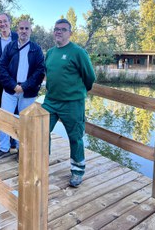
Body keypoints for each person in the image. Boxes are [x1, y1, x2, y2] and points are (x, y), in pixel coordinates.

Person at [42, 18, 96, 188]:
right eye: (56, 29)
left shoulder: (78, 52)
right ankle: (42, 165)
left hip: (72, 103)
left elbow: (90, 77)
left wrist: (77, 92)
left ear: (70, 33)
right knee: (41, 132)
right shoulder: (50, 53)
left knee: (75, 137)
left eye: (63, 29)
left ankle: (77, 171)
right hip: (50, 101)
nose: (59, 32)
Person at [0, 20, 45, 160]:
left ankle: (23, 150)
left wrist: (24, 86)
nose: (24, 31)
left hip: (28, 92)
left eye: (27, 28)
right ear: (17, 29)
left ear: (31, 31)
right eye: (21, 28)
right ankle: (4, 148)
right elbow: (1, 67)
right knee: (5, 119)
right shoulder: (10, 47)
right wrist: (13, 85)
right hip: (10, 90)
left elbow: (40, 71)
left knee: (26, 122)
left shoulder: (36, 49)